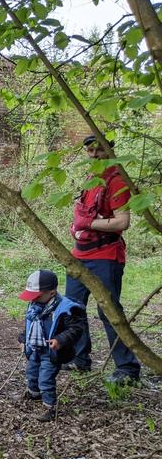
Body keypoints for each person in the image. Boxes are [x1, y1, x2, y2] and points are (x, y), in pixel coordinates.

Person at [63, 135, 142, 385]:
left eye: (99, 149)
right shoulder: (91, 180)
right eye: (89, 150)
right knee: (73, 307)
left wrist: (87, 223)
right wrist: (76, 226)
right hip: (79, 254)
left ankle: (127, 368)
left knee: (108, 311)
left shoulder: (117, 181)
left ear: (110, 149)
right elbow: (84, 213)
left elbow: (123, 221)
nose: (94, 154)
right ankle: (80, 359)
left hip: (106, 256)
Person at [18, 270, 86, 422]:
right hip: (35, 348)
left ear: (52, 293)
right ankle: (33, 393)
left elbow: (75, 329)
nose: (33, 299)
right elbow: (29, 326)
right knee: (31, 372)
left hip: (51, 352)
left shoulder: (66, 309)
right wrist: (23, 340)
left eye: (37, 296)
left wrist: (60, 340)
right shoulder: (35, 306)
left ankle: (50, 407)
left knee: (46, 379)